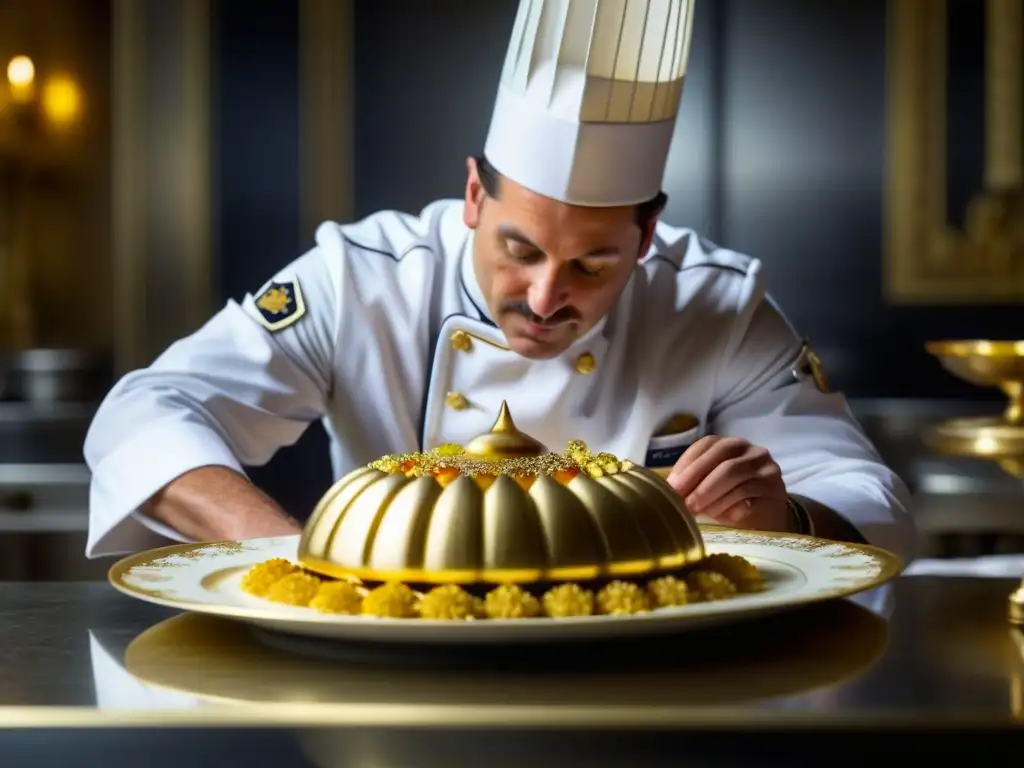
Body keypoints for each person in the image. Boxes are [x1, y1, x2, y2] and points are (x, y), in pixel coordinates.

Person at [83, 0, 915, 563]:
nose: (548, 296)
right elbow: (143, 414)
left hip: (643, 670)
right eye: (520, 249)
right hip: (398, 658)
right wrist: (296, 560)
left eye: (593, 264)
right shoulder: (363, 280)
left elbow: (874, 500)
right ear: (475, 196)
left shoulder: (716, 304)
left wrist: (789, 518)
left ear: (646, 234)